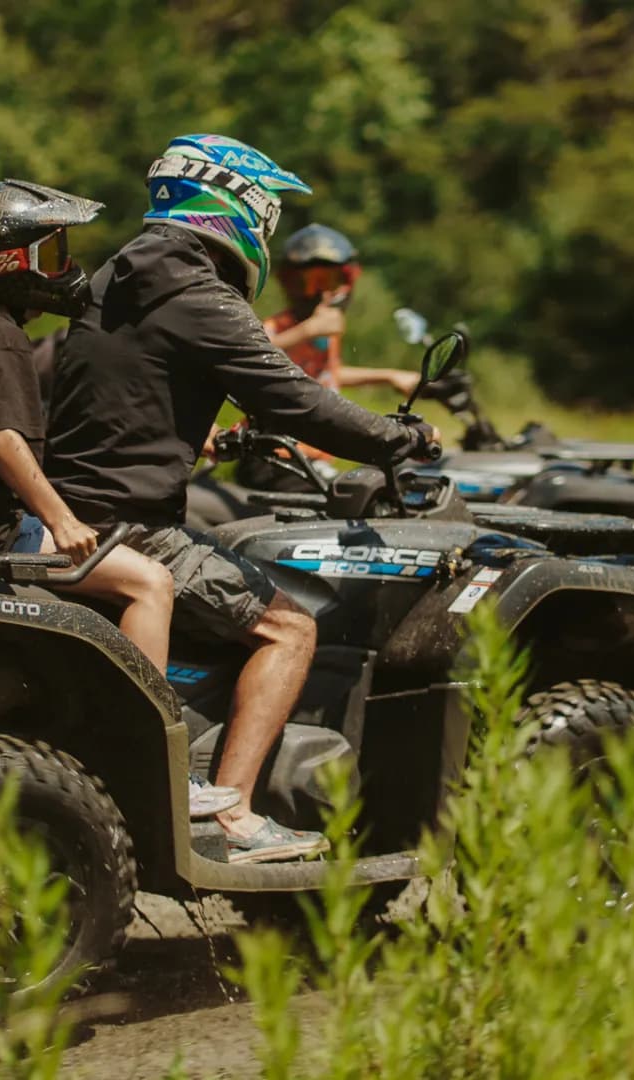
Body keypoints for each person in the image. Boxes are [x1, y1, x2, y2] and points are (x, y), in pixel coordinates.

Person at [46, 135, 436, 864]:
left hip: (71, 515)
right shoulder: (199, 297)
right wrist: (397, 439)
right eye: (270, 207)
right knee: (290, 629)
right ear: (239, 205)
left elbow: (127, 402)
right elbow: (295, 398)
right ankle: (237, 819)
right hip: (133, 531)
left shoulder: (110, 281)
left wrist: (214, 441)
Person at [0, 178, 241, 819]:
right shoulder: (0, 336)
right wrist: (60, 519)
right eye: (50, 255)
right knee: (149, 583)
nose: (67, 270)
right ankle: (144, 762)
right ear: (5, 266)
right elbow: (1, 439)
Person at [264, 224, 418, 396]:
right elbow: (250, 355)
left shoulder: (326, 334)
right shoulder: (276, 327)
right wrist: (307, 330)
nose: (322, 294)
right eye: (308, 282)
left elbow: (327, 374)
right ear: (289, 283)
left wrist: (389, 376)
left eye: (331, 281)